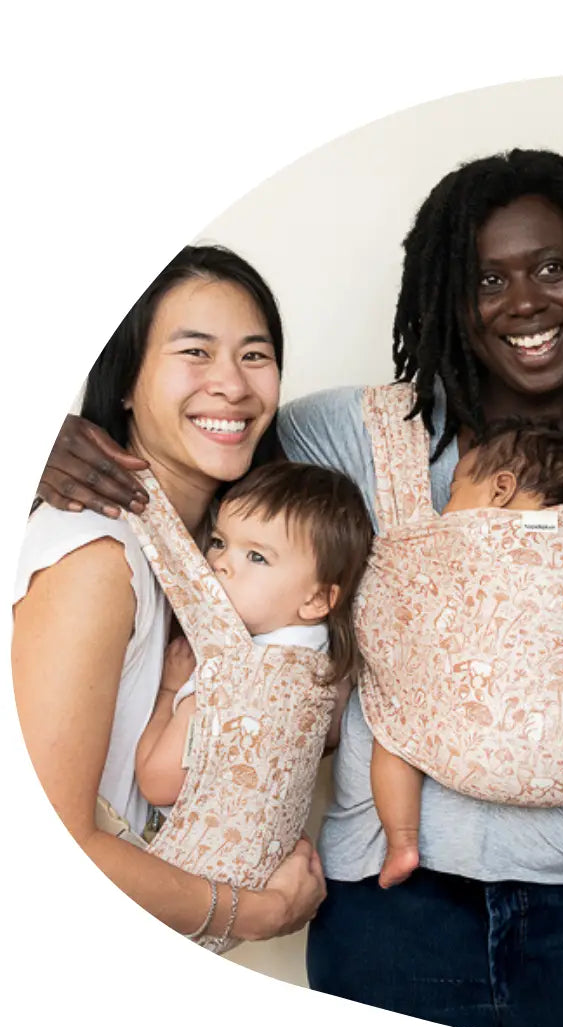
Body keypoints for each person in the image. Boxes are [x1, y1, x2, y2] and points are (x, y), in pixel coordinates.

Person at [33, 149, 563, 1027]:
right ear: (446, 300)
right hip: (390, 908)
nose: (524, 301)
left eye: (551, 268)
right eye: (486, 278)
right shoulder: (345, 437)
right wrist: (57, 440)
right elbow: (198, 459)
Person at [13, 246, 329, 947]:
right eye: (195, 352)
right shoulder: (96, 557)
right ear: (125, 382)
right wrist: (261, 914)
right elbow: (50, 845)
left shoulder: (221, 558)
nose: (233, 386)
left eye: (255, 355)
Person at [371, 417, 563, 894]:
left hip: (454, 747)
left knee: (395, 729)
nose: (443, 510)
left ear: (500, 489)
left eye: (454, 491)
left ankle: (402, 843)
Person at [136, 460, 371, 812]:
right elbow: (332, 734)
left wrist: (172, 688)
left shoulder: (230, 673)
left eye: (257, 557)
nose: (219, 563)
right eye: (218, 542)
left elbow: (158, 784)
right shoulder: (324, 663)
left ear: (318, 599)